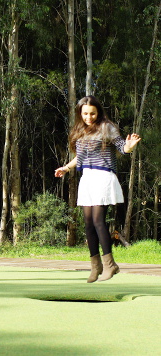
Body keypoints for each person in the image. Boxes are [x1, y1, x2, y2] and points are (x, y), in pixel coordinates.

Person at [55, 96, 141, 282]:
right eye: (85, 113)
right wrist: (66, 168)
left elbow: (121, 147)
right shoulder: (79, 131)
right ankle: (96, 266)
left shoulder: (107, 127)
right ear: (80, 113)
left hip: (103, 176)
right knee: (88, 224)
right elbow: (81, 158)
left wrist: (129, 147)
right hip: (87, 178)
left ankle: (110, 265)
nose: (89, 117)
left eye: (92, 113)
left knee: (98, 220)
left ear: (98, 112)